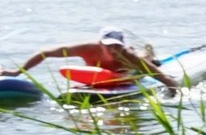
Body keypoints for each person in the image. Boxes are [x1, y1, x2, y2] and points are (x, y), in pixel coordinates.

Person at [7, 27, 176, 90]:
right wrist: (17, 72)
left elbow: (162, 78)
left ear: (122, 44)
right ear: (100, 43)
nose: (113, 49)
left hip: (127, 74)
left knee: (144, 58)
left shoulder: (127, 55)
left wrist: (174, 88)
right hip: (101, 80)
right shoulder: (87, 49)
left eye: (117, 45)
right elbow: (45, 52)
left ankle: (149, 54)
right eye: (108, 45)